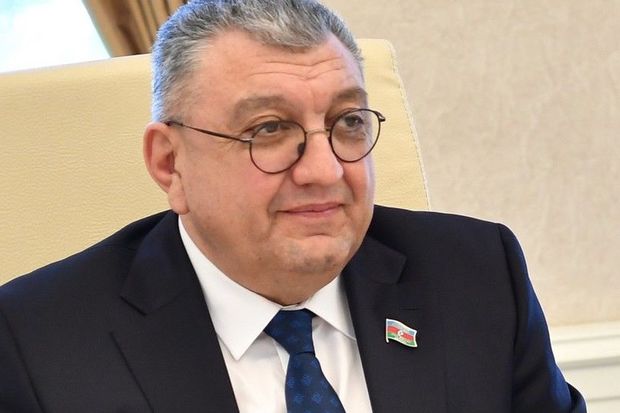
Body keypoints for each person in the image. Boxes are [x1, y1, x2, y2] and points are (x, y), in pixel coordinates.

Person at [0, 0, 586, 412]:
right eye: (269, 129)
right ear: (170, 163)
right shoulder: (36, 343)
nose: (324, 170)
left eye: (347, 122)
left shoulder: (477, 274)